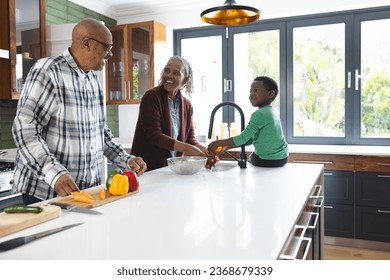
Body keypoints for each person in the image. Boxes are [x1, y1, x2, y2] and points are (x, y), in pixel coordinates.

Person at [12, 18, 147, 205]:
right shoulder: (48, 71)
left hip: (83, 193)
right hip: (43, 194)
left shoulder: (94, 81)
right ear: (86, 44)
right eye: (107, 47)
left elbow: (101, 133)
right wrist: (54, 173)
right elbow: (24, 129)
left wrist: (125, 159)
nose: (110, 54)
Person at [131, 56, 207, 171]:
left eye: (176, 73)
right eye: (167, 70)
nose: (169, 75)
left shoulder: (187, 105)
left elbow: (190, 139)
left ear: (185, 80)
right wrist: (190, 149)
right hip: (146, 170)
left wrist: (203, 149)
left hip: (171, 171)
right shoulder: (151, 97)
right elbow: (155, 136)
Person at [208, 76, 288, 167]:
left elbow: (243, 138)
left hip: (267, 160)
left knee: (252, 159)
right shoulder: (270, 111)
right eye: (250, 91)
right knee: (252, 158)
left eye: (256, 90)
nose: (251, 94)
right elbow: (250, 139)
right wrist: (228, 146)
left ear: (270, 94)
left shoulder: (260, 114)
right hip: (281, 158)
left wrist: (217, 143)